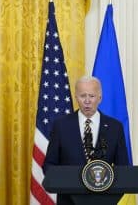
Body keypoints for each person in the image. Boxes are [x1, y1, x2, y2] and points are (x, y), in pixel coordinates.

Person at [43, 76, 129, 204]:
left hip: (104, 201)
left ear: (100, 98)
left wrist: (108, 199)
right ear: (76, 97)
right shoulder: (61, 126)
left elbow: (124, 170)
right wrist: (67, 186)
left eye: (92, 96)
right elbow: (49, 165)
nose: (87, 101)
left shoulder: (115, 127)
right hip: (68, 201)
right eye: (83, 96)